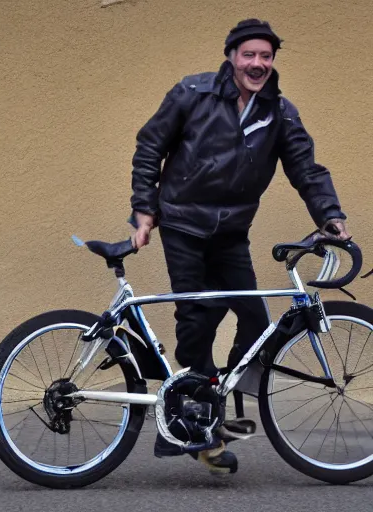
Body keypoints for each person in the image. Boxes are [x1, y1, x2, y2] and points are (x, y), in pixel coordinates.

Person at [128, 19, 351, 474]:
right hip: (184, 225)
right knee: (196, 321)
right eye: (249, 54)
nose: (257, 63)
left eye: (266, 56)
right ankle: (197, 429)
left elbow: (306, 169)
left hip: (231, 232)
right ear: (231, 56)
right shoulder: (192, 94)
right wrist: (144, 209)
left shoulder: (279, 112)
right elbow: (150, 146)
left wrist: (330, 214)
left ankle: (215, 400)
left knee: (255, 323)